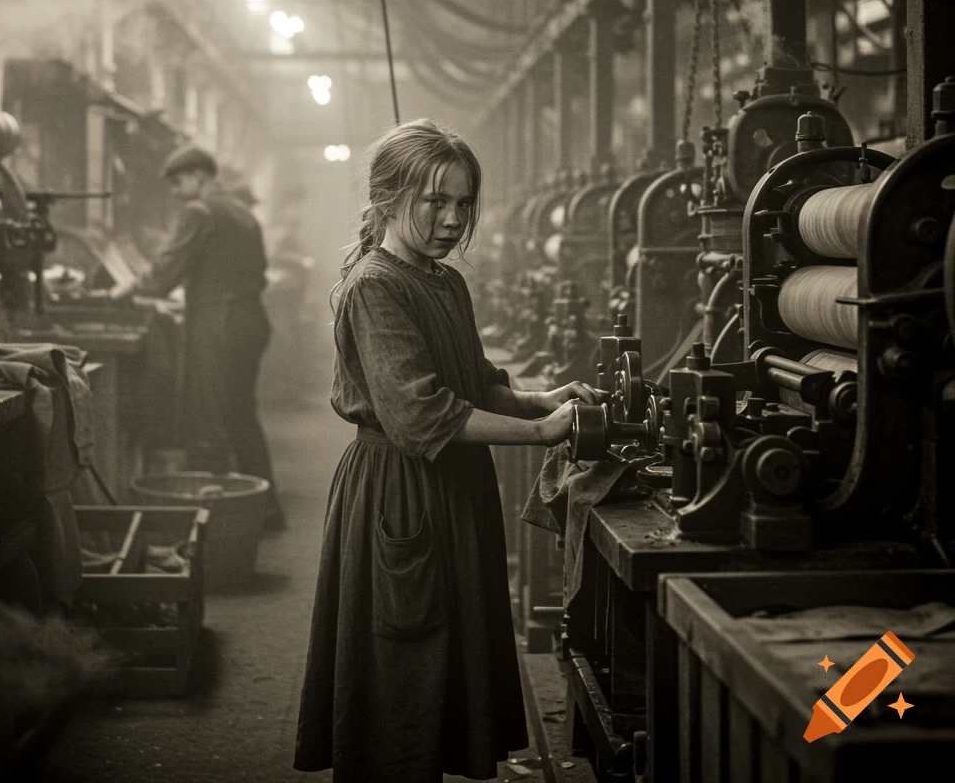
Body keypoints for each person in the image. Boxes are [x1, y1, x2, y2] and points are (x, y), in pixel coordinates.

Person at [294, 120, 605, 782]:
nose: (453, 220)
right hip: (400, 493)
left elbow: (472, 381)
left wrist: (540, 400)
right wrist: (544, 434)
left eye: (463, 203)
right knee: (402, 675)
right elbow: (418, 414)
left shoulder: (444, 282)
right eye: (435, 202)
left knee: (441, 673)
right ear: (387, 198)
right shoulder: (376, 286)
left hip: (452, 490)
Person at [109, 143, 285, 531]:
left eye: (178, 182)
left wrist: (129, 288)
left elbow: (169, 266)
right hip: (251, 320)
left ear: (198, 176)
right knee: (241, 414)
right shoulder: (242, 212)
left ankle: (209, 522)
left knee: (207, 418)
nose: (175, 192)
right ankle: (266, 509)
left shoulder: (199, 211)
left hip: (218, 323)